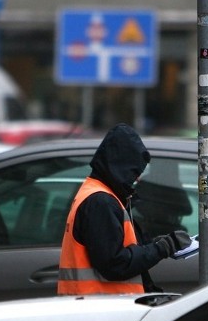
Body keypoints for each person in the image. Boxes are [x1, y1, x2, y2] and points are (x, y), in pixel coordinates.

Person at [57, 123, 194, 295]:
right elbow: (116, 264)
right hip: (100, 308)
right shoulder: (101, 201)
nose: (137, 177)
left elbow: (117, 249)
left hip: (98, 305)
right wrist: (162, 248)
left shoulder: (99, 193)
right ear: (120, 165)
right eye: (134, 170)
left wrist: (153, 245)